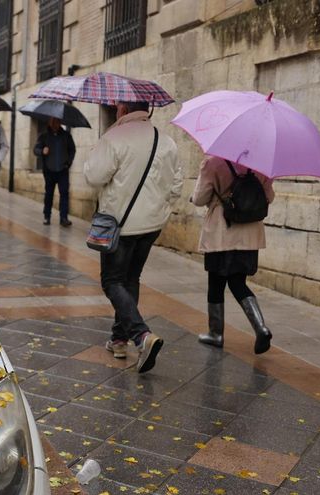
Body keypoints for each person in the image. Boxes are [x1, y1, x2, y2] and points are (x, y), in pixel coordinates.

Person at [84, 101, 181, 373]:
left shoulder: (114, 137)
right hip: (151, 225)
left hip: (120, 225)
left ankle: (141, 335)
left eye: (117, 107)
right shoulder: (166, 141)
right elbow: (176, 186)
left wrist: (94, 155)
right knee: (130, 279)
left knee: (112, 281)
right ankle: (119, 339)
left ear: (123, 109)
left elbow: (94, 177)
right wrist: (158, 208)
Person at [190, 156, 274, 353]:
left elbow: (200, 198)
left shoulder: (213, 163)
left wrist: (196, 197)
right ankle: (260, 327)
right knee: (238, 282)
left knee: (216, 283)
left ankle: (216, 333)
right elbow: (269, 198)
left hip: (222, 232)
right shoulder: (261, 164)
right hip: (249, 233)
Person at [34, 117, 76, 227]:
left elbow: (72, 150)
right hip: (49, 171)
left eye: (56, 121)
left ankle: (64, 218)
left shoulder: (66, 136)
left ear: (59, 122)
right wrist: (42, 151)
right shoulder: (44, 136)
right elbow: (35, 149)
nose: (54, 123)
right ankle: (47, 216)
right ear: (49, 122)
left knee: (64, 194)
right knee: (49, 194)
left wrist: (68, 163)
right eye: (52, 121)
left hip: (63, 170)